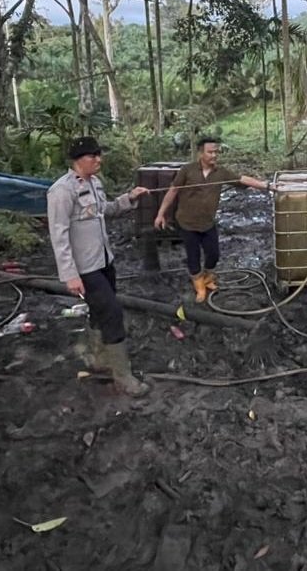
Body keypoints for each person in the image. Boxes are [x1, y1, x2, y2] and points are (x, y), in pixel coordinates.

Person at [47, 136, 151, 396]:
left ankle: (98, 358)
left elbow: (106, 210)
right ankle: (123, 376)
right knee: (113, 313)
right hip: (84, 268)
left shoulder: (95, 183)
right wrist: (69, 275)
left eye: (98, 155)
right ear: (78, 160)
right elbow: (58, 235)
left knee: (99, 309)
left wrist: (129, 198)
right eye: (93, 156)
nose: (98, 160)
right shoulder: (62, 191)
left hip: (103, 260)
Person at [153, 137, 273, 302]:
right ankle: (199, 286)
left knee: (213, 254)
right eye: (210, 152)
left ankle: (208, 277)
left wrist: (266, 185)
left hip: (207, 223)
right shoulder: (187, 170)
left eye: (216, 152)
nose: (214, 155)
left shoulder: (221, 173)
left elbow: (242, 179)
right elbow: (172, 191)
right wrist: (161, 214)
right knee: (193, 256)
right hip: (187, 223)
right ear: (201, 153)